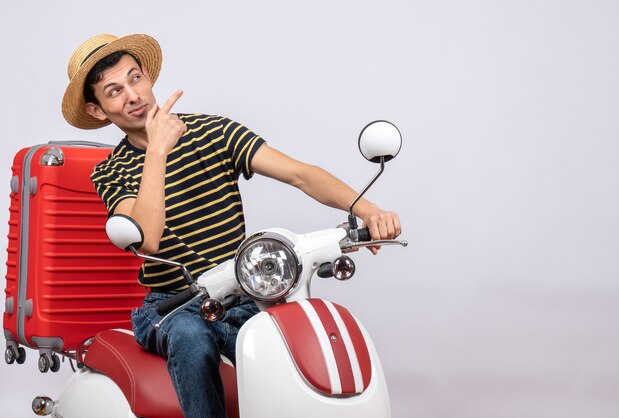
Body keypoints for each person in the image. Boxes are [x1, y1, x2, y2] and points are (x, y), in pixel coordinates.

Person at [62, 33, 401, 418]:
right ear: (97, 110)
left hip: (245, 295)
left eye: (135, 78)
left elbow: (300, 174)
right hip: (174, 306)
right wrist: (157, 149)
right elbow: (149, 238)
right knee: (191, 338)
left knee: (301, 338)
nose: (133, 95)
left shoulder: (214, 132)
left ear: (149, 78)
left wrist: (367, 209)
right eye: (114, 91)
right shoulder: (111, 172)